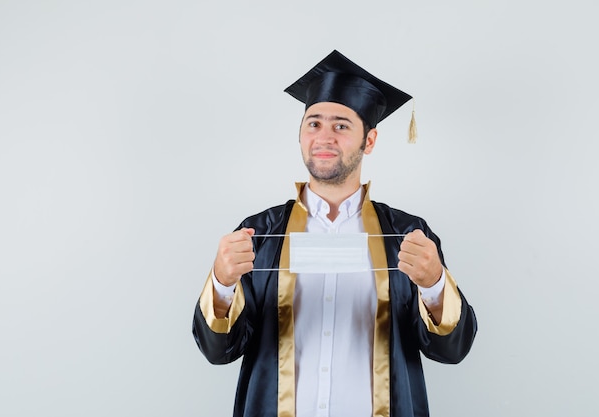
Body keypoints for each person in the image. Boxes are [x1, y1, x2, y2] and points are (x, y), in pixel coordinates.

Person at [192, 50, 477, 417]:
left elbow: (451, 351)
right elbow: (220, 352)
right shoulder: (258, 235)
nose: (324, 137)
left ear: (369, 141)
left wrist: (435, 284)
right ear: (300, 135)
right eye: (313, 124)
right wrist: (222, 283)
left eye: (341, 125)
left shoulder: (407, 236)